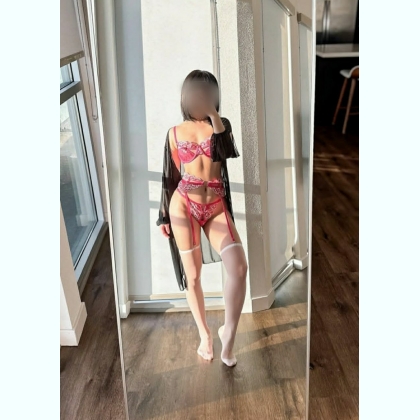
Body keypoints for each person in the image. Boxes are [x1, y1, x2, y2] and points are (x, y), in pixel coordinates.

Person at [156, 70, 248, 367]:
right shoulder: (174, 133)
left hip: (215, 206)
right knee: (193, 276)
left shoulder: (221, 126)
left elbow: (227, 151)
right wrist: (164, 217)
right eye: (195, 92)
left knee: (239, 267)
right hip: (183, 205)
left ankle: (228, 334)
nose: (200, 97)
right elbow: (170, 176)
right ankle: (204, 335)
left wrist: (212, 113)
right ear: (186, 95)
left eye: (206, 92)